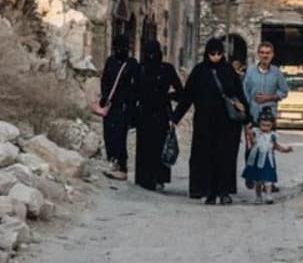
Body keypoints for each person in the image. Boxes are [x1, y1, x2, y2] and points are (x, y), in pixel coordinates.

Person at [172, 38, 251, 205]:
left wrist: (248, 119)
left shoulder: (229, 71)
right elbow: (187, 97)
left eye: (219, 53)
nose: (215, 57)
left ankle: (224, 192)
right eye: (212, 53)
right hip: (205, 123)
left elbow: (239, 95)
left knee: (225, 157)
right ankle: (208, 192)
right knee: (205, 157)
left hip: (227, 124)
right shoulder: (199, 72)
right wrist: (175, 118)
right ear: (207, 54)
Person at [133, 40, 183, 192]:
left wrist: (168, 97)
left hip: (161, 114)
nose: (151, 57)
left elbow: (180, 91)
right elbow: (134, 91)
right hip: (144, 113)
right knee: (145, 146)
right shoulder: (140, 69)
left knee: (159, 146)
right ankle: (144, 179)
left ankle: (159, 179)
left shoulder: (166, 69)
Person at [100, 34, 139, 180]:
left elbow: (136, 86)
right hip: (111, 106)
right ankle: (113, 162)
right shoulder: (110, 61)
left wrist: (132, 106)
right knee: (109, 135)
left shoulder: (132, 64)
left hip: (124, 107)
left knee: (120, 137)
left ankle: (122, 167)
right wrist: (105, 96)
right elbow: (105, 80)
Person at [242, 108, 293, 204]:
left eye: (268, 126)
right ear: (259, 124)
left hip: (268, 160)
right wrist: (250, 133)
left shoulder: (273, 136)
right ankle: (258, 196)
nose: (265, 128)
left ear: (272, 125)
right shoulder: (256, 133)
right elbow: (253, 142)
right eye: (263, 125)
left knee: (268, 178)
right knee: (258, 180)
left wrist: (286, 150)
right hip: (256, 159)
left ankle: (268, 195)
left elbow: (276, 146)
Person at [243, 41, 289, 125]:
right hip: (253, 116)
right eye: (262, 53)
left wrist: (269, 97)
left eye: (268, 53)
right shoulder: (250, 72)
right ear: (258, 54)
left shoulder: (277, 72)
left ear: (272, 55)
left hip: (270, 118)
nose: (265, 56)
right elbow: (245, 93)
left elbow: (284, 91)